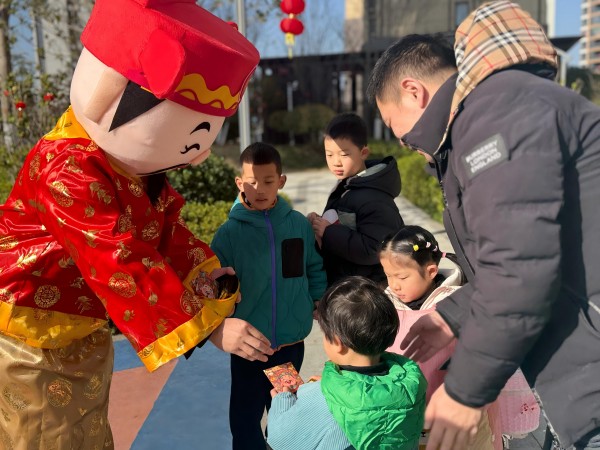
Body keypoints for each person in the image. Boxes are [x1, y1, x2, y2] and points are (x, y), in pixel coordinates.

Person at [0, 0, 274, 447]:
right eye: (192, 142)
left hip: (79, 326)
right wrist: (207, 329)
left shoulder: (128, 167)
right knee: (44, 435)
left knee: (87, 431)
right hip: (31, 331)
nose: (198, 157)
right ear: (110, 93)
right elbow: (118, 257)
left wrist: (203, 275)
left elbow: (163, 232)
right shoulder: (66, 168)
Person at [367, 1, 600, 450]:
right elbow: (528, 251)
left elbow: (518, 269)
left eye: (396, 127)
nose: (403, 141)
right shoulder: (508, 108)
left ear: (413, 92)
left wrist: (464, 392)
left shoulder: (495, 115)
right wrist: (452, 316)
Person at [210, 142, 327, 450]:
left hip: (288, 346)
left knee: (286, 413)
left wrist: (318, 300)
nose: (259, 189)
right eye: (251, 182)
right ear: (239, 183)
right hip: (249, 347)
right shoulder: (228, 234)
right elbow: (215, 285)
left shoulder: (297, 224)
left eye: (268, 181)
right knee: (245, 418)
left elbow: (313, 267)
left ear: (281, 181)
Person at [381, 225, 540, 450]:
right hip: (407, 417)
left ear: (431, 271)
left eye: (402, 276)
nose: (393, 284)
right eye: (388, 275)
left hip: (460, 417)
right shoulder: (384, 306)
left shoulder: (460, 306)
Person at [266, 276, 427, 450]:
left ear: (337, 342)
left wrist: (282, 400)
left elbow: (279, 441)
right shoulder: (409, 389)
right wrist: (336, 385)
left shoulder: (320, 398)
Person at [307, 112, 404, 286]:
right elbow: (345, 228)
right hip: (347, 284)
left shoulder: (374, 196)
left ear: (363, 152)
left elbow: (376, 249)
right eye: (329, 155)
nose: (336, 162)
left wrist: (329, 232)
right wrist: (318, 225)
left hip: (366, 289)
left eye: (344, 155)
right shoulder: (347, 185)